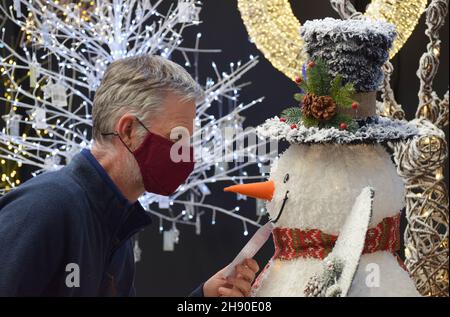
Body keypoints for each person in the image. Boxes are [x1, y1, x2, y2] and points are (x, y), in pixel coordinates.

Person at [0, 55, 259, 296]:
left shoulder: (116, 226)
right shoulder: (46, 207)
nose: (185, 154)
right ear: (128, 130)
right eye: (176, 138)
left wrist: (203, 297)